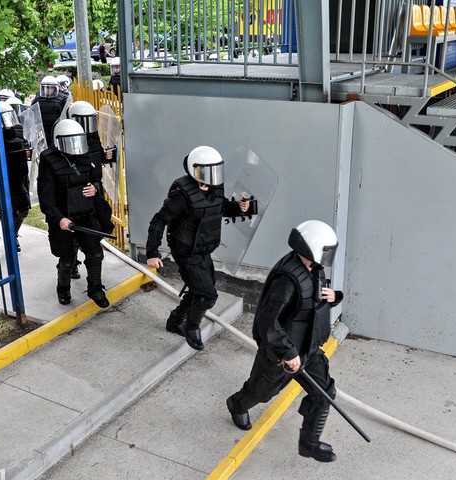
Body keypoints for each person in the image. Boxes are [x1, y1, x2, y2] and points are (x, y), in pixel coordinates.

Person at [226, 220, 343, 463]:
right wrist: (288, 352)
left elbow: (314, 302)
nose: (327, 257)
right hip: (281, 355)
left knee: (324, 392)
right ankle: (237, 404)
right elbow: (268, 322)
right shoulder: (286, 280)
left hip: (309, 349)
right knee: (262, 392)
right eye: (325, 250)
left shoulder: (314, 269)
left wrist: (334, 297)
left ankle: (309, 443)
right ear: (311, 248)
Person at [146, 146, 251, 350]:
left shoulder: (215, 188)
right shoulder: (182, 194)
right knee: (207, 295)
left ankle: (175, 321)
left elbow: (220, 208)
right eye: (207, 171)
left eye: (215, 171)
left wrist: (238, 208)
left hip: (204, 247)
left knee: (199, 290)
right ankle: (191, 326)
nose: (212, 177)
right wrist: (152, 253)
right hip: (185, 250)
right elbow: (158, 222)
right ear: (195, 170)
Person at [37, 119, 114, 307]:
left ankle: (95, 289)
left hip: (86, 213)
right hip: (64, 216)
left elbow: (96, 179)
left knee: (95, 254)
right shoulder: (49, 160)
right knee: (67, 258)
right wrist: (59, 219)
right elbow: (46, 198)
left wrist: (95, 189)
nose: (74, 147)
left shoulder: (85, 155)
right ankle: (63, 288)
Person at [65, 101, 118, 279]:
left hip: (95, 190)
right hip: (76, 193)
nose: (87, 127)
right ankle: (71, 265)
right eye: (83, 121)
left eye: (90, 121)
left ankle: (92, 271)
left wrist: (107, 155)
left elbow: (96, 159)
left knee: (98, 227)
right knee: (73, 233)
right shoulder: (66, 139)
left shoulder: (94, 138)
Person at [0, 101, 31, 254]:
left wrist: (27, 151)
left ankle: (12, 235)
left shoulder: (18, 128)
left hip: (17, 176)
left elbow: (22, 146)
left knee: (22, 209)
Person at [32, 75, 66, 148]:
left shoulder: (62, 99)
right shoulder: (38, 98)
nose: (48, 90)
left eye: (51, 88)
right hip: (41, 129)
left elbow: (64, 115)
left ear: (55, 88)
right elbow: (32, 113)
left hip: (55, 128)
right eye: (46, 87)